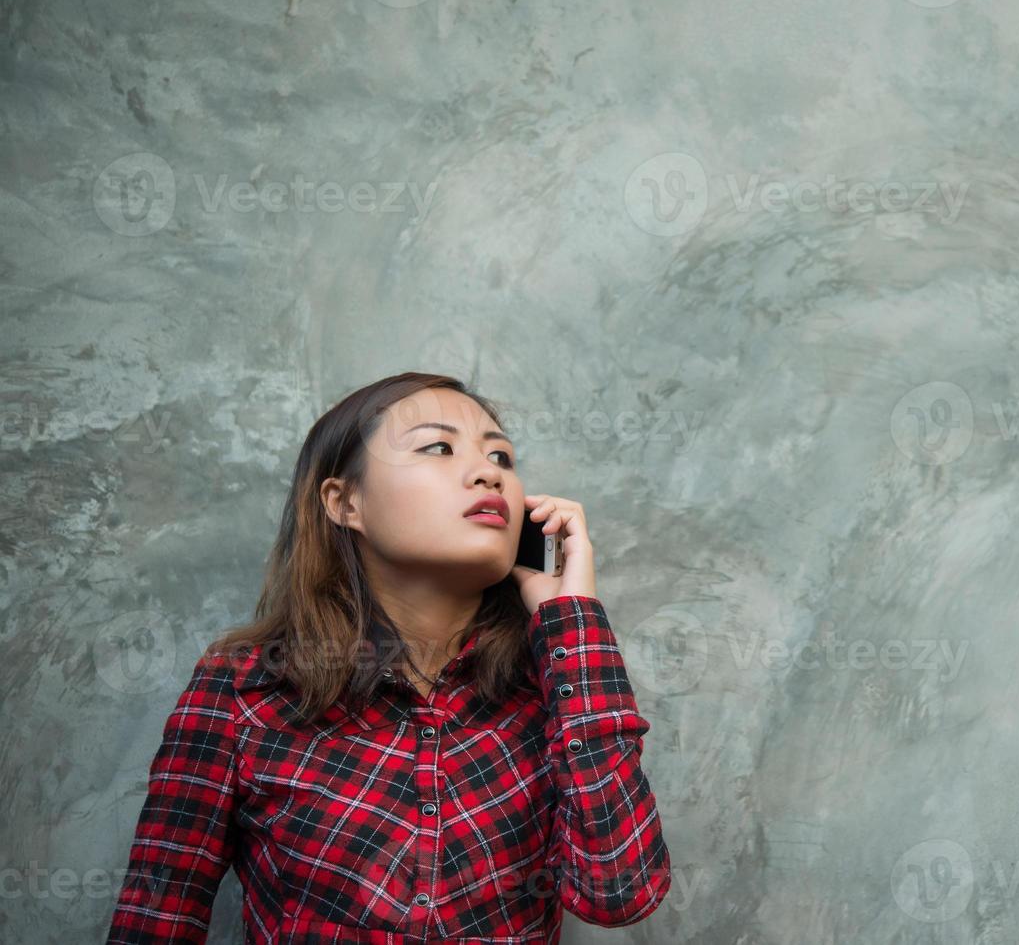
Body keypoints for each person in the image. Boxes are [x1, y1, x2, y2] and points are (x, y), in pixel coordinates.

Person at [106, 371, 672, 943]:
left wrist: (572, 621)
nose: (488, 473)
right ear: (345, 501)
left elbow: (620, 894)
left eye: (501, 456)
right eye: (438, 447)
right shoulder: (242, 689)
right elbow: (155, 921)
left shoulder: (556, 686)